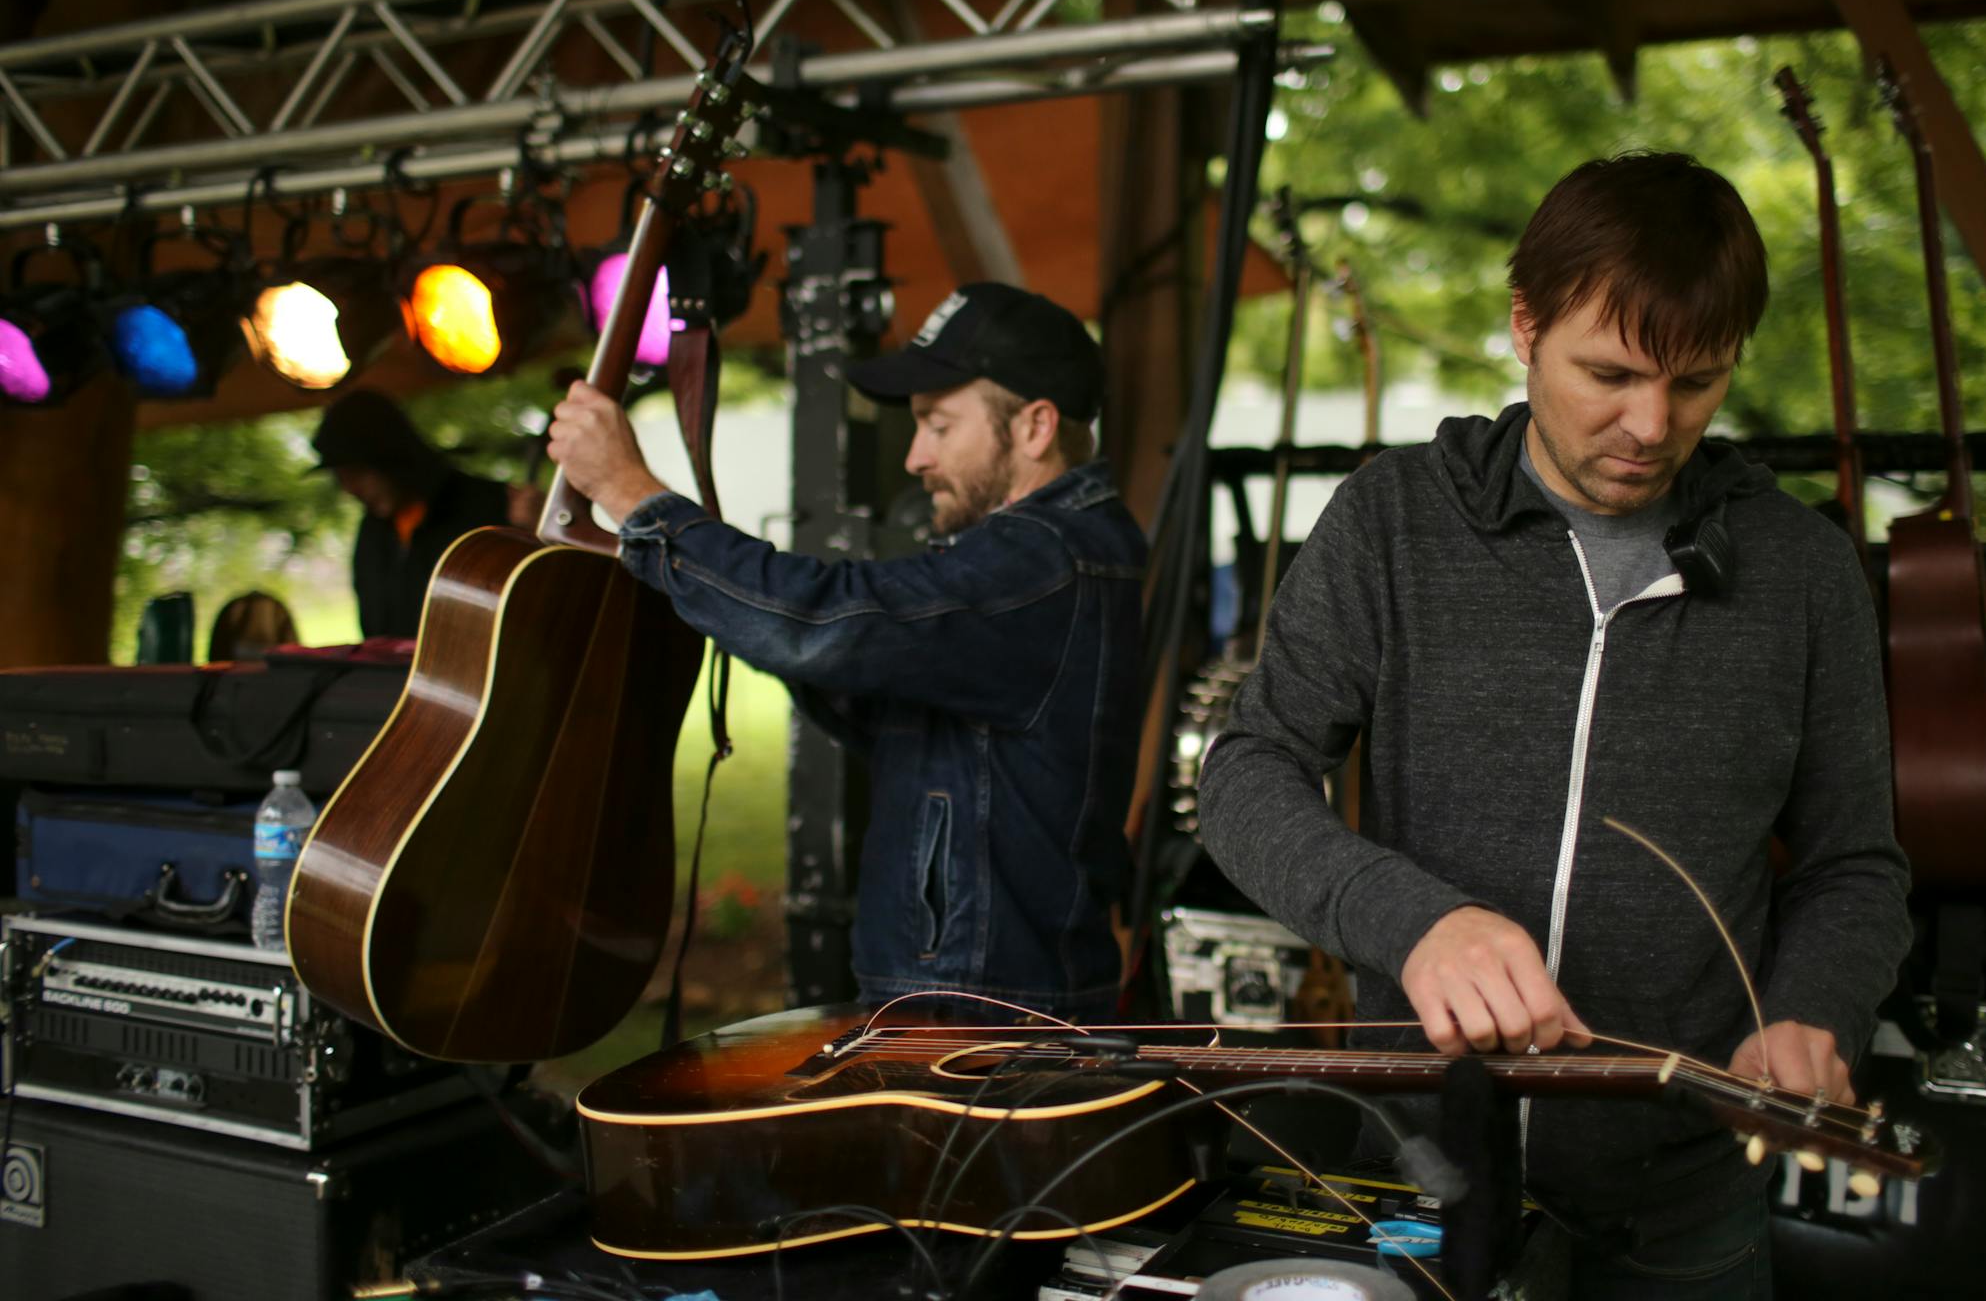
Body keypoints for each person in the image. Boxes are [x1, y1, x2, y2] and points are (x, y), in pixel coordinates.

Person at [1196, 152, 1912, 1296]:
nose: (1649, 424)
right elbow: (1247, 774)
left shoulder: (1804, 572)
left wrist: (1812, 1009)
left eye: (1697, 383)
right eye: (1611, 373)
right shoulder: (1392, 522)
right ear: (1525, 326)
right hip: (1421, 1167)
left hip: (1685, 1195)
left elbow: (1856, 865)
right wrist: (1417, 922)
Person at [547, 281, 1147, 1020]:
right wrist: (730, 598)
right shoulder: (1053, 557)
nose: (915, 458)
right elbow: (860, 676)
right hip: (979, 995)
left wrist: (633, 495)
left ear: (1035, 427)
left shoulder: (1042, 564)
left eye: (938, 425)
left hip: (981, 1014)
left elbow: (830, 623)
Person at [309, 388, 539, 639]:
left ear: (387, 456)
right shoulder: (373, 534)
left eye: (357, 474)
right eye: (341, 479)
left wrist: (542, 531)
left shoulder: (489, 507)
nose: (350, 489)